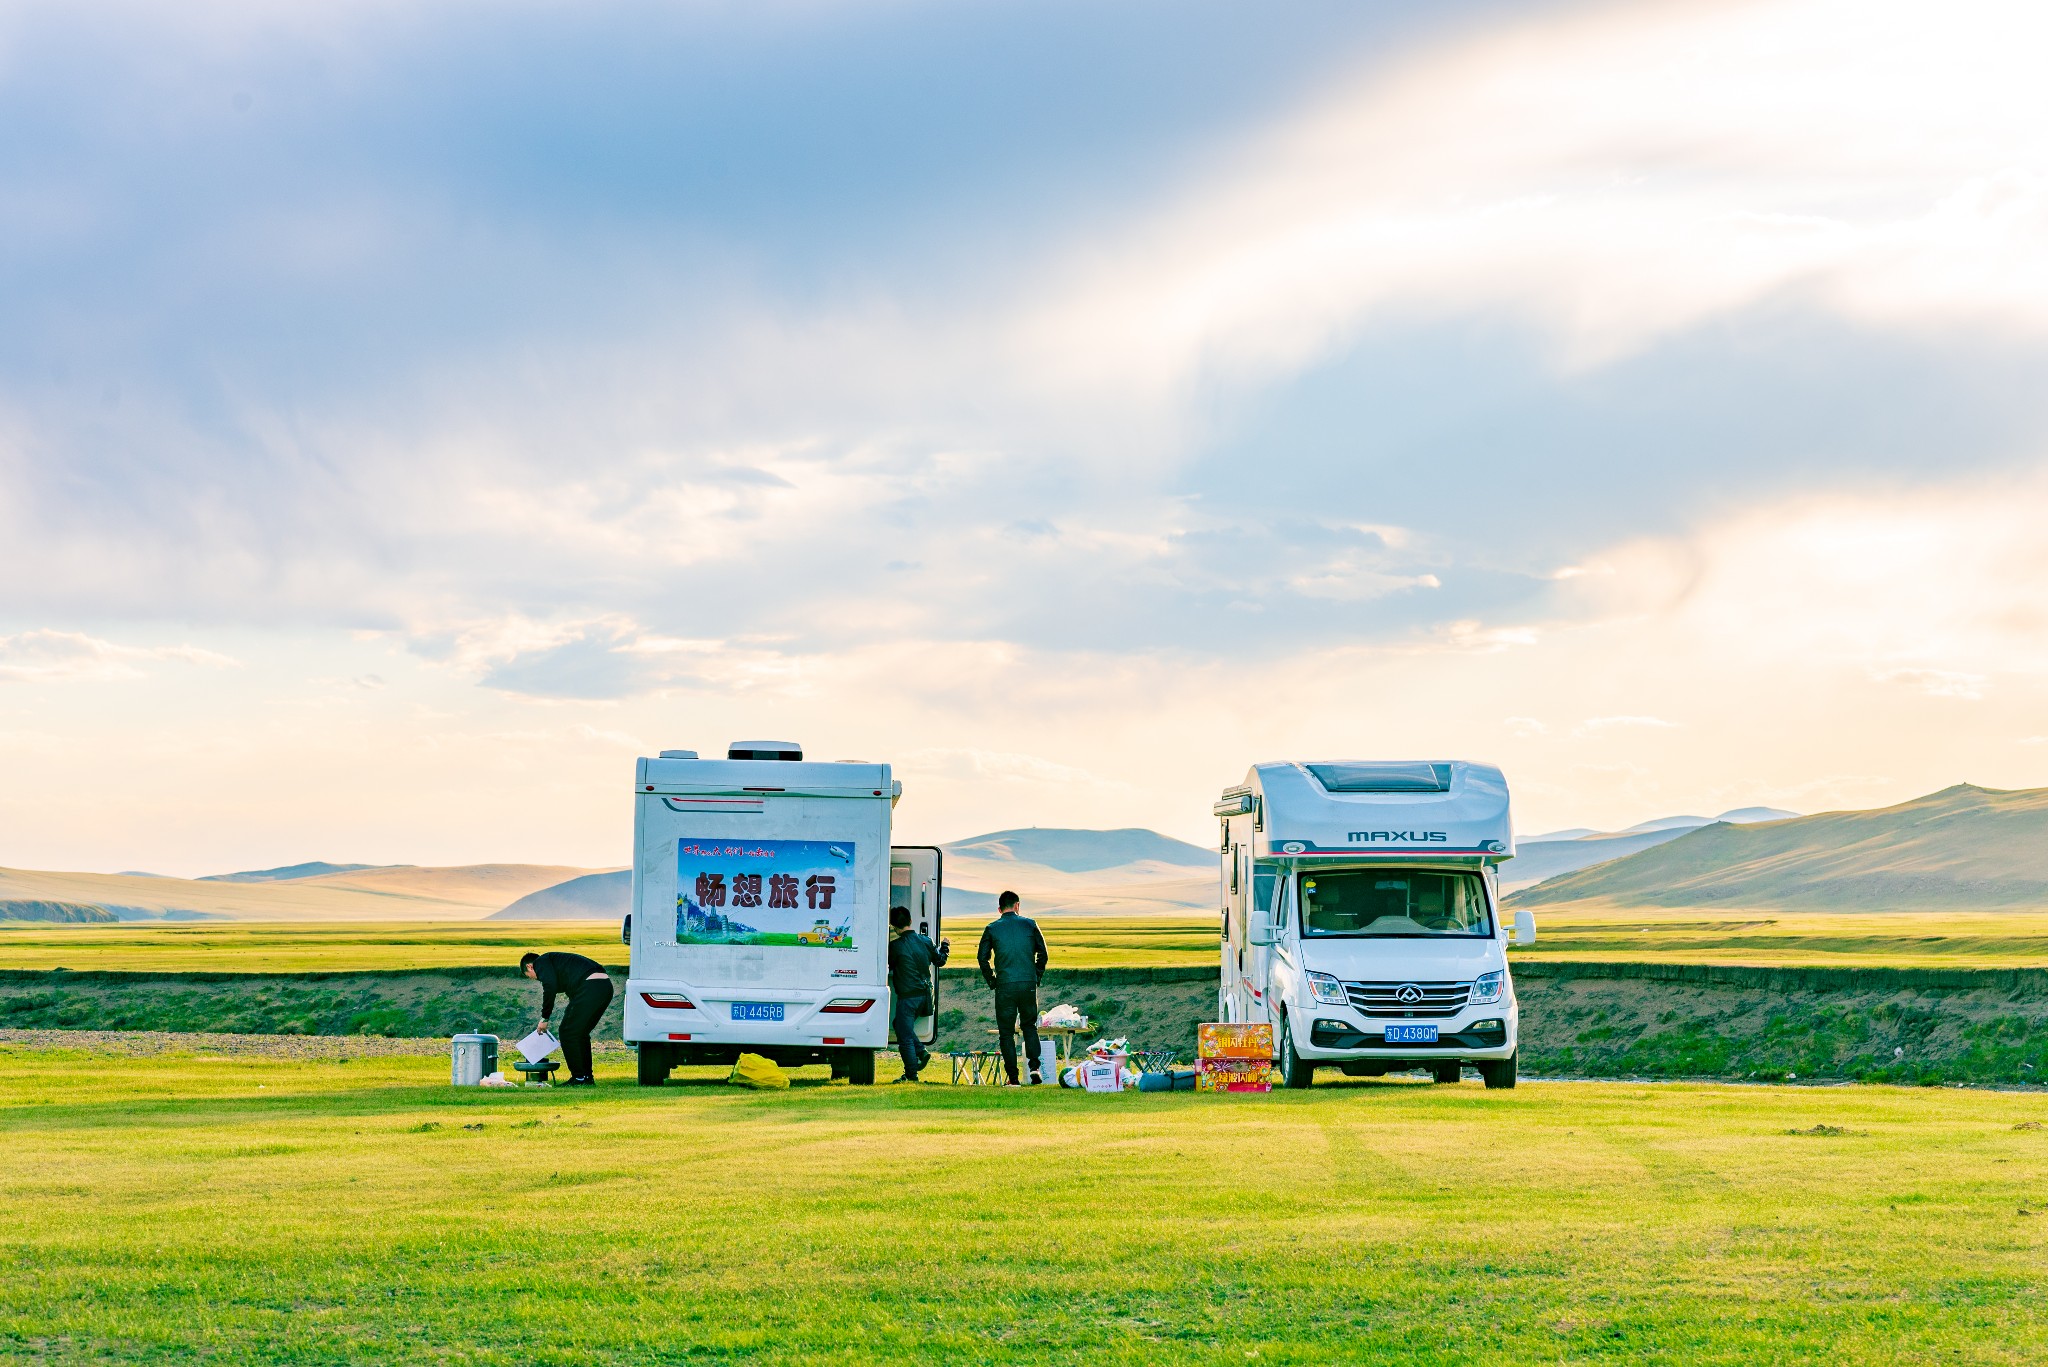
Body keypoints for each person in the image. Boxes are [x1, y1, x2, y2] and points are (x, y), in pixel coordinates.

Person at [976, 890, 1048, 1085]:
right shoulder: (1030, 924)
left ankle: (1013, 1078)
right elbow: (1044, 954)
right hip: (1027, 984)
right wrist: (1036, 977)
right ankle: (1034, 1068)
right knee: (1029, 1026)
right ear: (1017, 905)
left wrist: (992, 980)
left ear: (999, 909)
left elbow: (982, 958)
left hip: (1004, 985)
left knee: (1006, 1032)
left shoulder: (992, 928)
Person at [521, 949, 613, 1086]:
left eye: (530, 976)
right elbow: (570, 988)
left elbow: (550, 987)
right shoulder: (558, 964)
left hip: (590, 985)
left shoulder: (541, 962)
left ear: (529, 966)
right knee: (580, 1033)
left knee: (567, 1032)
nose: (536, 978)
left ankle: (578, 1078)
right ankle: (586, 1078)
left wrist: (544, 1018)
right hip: (604, 987)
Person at [886, 905, 949, 1083]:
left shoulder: (895, 947)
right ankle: (921, 1051)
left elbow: (887, 966)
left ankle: (912, 1075)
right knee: (900, 1025)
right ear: (911, 921)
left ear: (893, 926)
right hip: (926, 996)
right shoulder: (926, 941)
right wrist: (945, 945)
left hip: (908, 998)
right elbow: (941, 961)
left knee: (904, 1037)